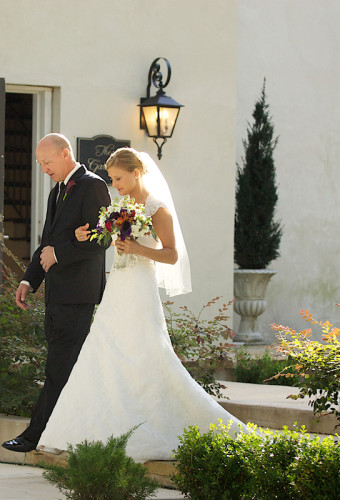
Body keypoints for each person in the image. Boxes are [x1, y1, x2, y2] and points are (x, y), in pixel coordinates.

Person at [37, 147, 244, 461]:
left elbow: (172, 254)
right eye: (111, 179)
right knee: (103, 354)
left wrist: (137, 249)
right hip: (117, 288)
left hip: (140, 290)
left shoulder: (157, 208)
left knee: (143, 354)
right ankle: (87, 432)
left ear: (136, 173)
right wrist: (86, 235)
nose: (114, 184)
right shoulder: (121, 205)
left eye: (118, 178)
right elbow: (109, 242)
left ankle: (146, 426)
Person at [2, 133, 111, 453]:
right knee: (65, 370)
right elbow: (46, 244)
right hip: (56, 294)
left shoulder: (93, 186)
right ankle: (73, 434)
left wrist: (60, 253)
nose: (43, 169)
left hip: (79, 295)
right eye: (39, 164)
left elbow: (103, 240)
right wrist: (28, 281)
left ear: (66, 154)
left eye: (46, 162)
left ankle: (33, 437)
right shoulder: (56, 192)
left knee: (58, 369)